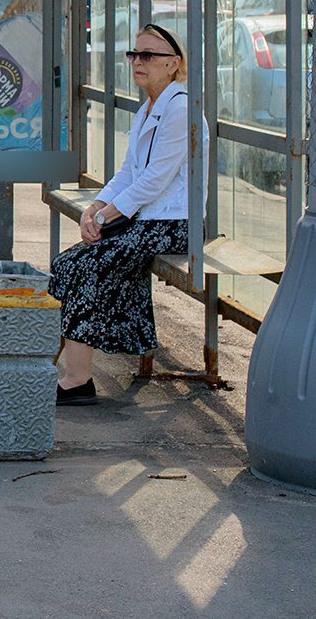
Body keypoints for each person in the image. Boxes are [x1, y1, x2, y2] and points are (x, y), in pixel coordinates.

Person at [49, 23, 206, 406]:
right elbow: (127, 173)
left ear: (173, 64)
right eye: (134, 54)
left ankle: (77, 380)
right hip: (149, 221)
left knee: (88, 266)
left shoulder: (180, 107)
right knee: (69, 263)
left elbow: (154, 181)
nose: (138, 62)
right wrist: (96, 207)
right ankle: (67, 369)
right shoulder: (150, 106)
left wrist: (104, 220)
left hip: (175, 225)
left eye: (149, 56)